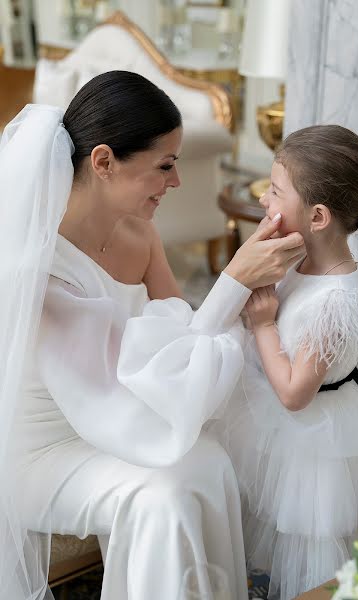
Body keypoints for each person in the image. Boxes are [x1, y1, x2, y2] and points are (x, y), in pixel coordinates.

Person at [0, 71, 305, 600]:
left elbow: (179, 346)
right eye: (165, 165)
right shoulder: (38, 267)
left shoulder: (139, 235)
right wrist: (232, 280)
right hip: (52, 450)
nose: (177, 182)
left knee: (207, 464)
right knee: (161, 495)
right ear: (102, 162)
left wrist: (242, 286)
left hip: (118, 419)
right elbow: (118, 397)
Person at [218, 125, 358, 600]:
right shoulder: (300, 259)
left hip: (312, 447)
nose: (264, 200)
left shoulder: (334, 301)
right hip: (276, 432)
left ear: (317, 216)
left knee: (303, 547)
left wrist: (263, 326)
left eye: (275, 191)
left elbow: (296, 393)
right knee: (261, 527)